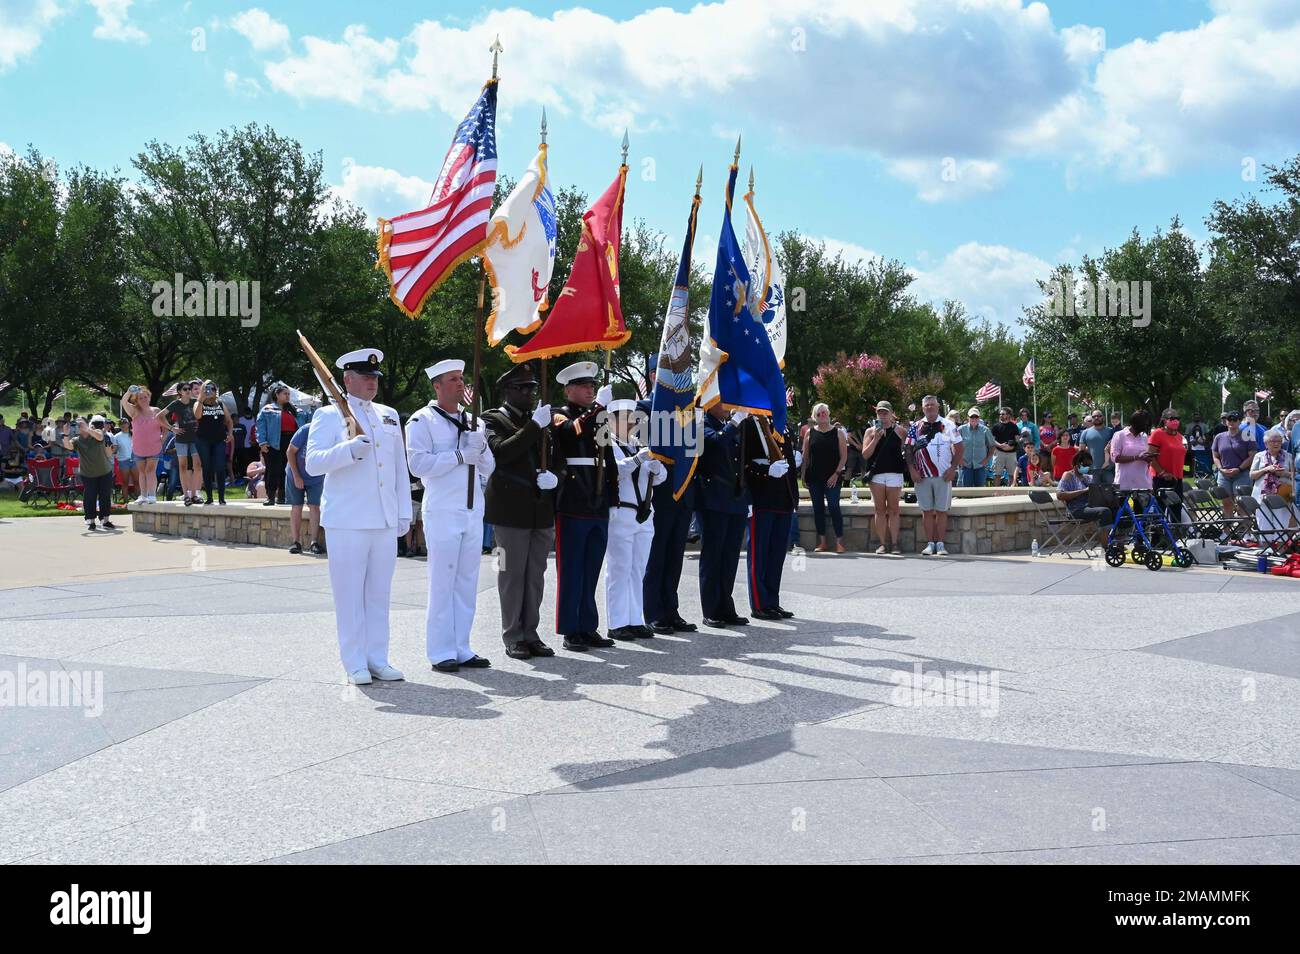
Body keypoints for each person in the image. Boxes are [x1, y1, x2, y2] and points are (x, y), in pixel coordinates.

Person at [304, 348, 411, 686]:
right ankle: (354, 662)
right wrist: (347, 451)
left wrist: (404, 512)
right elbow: (313, 462)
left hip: (383, 518)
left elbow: (398, 470)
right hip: (347, 519)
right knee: (350, 595)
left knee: (379, 594)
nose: (372, 382)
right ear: (347, 380)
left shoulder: (389, 414)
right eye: (365, 377)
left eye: (375, 377)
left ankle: (377, 657)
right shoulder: (328, 414)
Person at [406, 358, 495, 673]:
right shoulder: (422, 421)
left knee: (467, 581)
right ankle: (441, 650)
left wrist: (480, 449)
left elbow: (489, 468)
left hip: (472, 509)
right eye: (453, 379)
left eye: (461, 378)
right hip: (443, 509)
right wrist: (458, 455)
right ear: (438, 386)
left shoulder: (475, 423)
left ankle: (462, 646)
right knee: (443, 580)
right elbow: (417, 465)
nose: (460, 384)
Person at [482, 362, 560, 659]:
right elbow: (501, 452)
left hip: (540, 510)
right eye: (522, 388)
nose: (529, 393)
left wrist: (556, 477)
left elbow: (557, 459)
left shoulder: (539, 421)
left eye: (532, 388)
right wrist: (534, 426)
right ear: (507, 392)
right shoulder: (491, 419)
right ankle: (512, 635)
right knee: (511, 574)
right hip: (509, 513)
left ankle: (531, 632)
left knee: (535, 576)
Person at [549, 362, 618, 651]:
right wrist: (599, 406)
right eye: (584, 386)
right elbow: (570, 433)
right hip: (574, 499)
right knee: (572, 569)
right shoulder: (558, 414)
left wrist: (612, 497)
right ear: (569, 390)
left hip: (597, 499)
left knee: (591, 568)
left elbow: (608, 456)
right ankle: (570, 628)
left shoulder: (598, 418)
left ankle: (588, 626)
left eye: (592, 386)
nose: (590, 389)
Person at [640, 360, 700, 637]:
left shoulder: (688, 411)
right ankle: (653, 612)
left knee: (675, 554)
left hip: (683, 489)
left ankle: (670, 610)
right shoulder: (643, 409)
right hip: (659, 492)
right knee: (658, 553)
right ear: (655, 376)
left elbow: (694, 450)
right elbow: (634, 445)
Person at [605, 399, 667, 639]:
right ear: (611, 421)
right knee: (619, 568)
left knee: (637, 569)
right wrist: (640, 460)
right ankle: (617, 622)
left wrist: (657, 467)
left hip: (644, 513)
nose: (630, 421)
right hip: (621, 512)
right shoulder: (608, 444)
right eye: (623, 417)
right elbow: (616, 470)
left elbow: (660, 479)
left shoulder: (638, 444)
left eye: (632, 417)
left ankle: (635, 619)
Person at [697, 404, 750, 627]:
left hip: (735, 499)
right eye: (722, 402)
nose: (727, 407)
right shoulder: (702, 424)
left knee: (729, 557)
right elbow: (716, 443)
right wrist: (735, 423)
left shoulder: (729, 426)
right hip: (713, 499)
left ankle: (726, 606)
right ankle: (711, 609)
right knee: (712, 556)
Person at [744, 414, 798, 619]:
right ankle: (759, 603)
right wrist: (766, 471)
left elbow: (789, 461)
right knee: (759, 555)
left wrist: (793, 497)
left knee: (776, 556)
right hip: (762, 498)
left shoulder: (781, 424)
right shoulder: (749, 424)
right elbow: (745, 463)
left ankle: (772, 601)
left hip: (783, 498)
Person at [905, 395, 964, 556]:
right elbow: (908, 449)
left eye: (932, 404)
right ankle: (930, 543)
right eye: (927, 405)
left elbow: (959, 448)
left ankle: (941, 544)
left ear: (938, 406)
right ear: (923, 408)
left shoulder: (948, 425)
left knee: (942, 511)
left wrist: (953, 469)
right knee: (927, 510)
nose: (930, 407)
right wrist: (911, 469)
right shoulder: (915, 426)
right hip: (922, 475)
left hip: (943, 475)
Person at [862, 401, 907, 553]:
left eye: (885, 412)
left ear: (891, 413)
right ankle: (882, 543)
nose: (883, 415)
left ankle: (894, 543)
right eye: (880, 412)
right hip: (877, 475)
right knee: (879, 510)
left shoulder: (900, 431)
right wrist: (875, 439)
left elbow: (906, 451)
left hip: (894, 473)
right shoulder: (870, 431)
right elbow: (865, 454)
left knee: (894, 509)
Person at [801, 403, 847, 552]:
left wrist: (836, 474)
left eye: (824, 412)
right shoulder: (809, 433)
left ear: (829, 413)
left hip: (833, 477)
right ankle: (822, 542)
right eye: (819, 413)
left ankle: (839, 542)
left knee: (834, 507)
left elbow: (844, 456)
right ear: (815, 417)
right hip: (814, 478)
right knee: (818, 509)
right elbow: (805, 457)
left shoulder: (838, 433)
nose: (823, 415)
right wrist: (803, 475)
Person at [65, 415, 117, 531]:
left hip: (104, 471)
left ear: (88, 424)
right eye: (78, 425)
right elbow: (68, 446)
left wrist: (87, 428)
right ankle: (91, 521)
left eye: (82, 424)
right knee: (90, 497)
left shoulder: (97, 431)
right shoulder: (77, 440)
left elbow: (99, 437)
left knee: (105, 496)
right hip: (87, 473)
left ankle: (105, 520)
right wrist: (65, 434)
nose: (80, 426)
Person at [1249, 430, 1296, 548]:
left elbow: (1294, 475)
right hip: (1262, 495)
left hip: (1283, 495)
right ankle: (1266, 551)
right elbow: (1252, 475)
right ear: (1266, 443)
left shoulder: (1288, 456)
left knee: (1282, 523)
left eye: (1279, 441)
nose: (1276, 444)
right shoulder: (1259, 456)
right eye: (1273, 441)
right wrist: (1266, 469)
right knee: (1263, 523)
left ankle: (1281, 551)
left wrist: (1283, 474)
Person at [257, 384, 302, 507]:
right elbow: (260, 426)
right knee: (273, 470)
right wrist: (262, 442)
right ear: (277, 395)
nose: (288, 396)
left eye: (289, 394)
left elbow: (304, 420)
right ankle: (270, 496)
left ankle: (282, 496)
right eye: (285, 393)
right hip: (274, 442)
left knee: (286, 470)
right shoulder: (268, 409)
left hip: (291, 441)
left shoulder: (293, 409)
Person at [157, 381, 201, 505]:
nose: (188, 391)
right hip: (181, 439)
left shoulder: (195, 402)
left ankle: (194, 494)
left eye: (189, 388)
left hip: (195, 438)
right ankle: (186, 495)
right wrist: (172, 428)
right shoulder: (176, 403)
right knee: (183, 466)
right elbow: (159, 416)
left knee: (197, 466)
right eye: (185, 389)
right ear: (180, 392)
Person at [285, 415, 324, 555]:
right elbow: (290, 452)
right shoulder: (305, 430)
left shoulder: (329, 433)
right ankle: (296, 542)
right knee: (296, 506)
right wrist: (296, 476)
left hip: (316, 476)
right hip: (295, 473)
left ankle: (314, 542)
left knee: (315, 507)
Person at [121, 385, 164, 503]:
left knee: (150, 470)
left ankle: (152, 495)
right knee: (142, 472)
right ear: (136, 400)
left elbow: (164, 426)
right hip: (139, 447)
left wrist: (162, 440)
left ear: (149, 397)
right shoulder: (134, 411)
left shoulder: (156, 410)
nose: (144, 399)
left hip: (154, 446)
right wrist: (129, 392)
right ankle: (143, 495)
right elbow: (123, 402)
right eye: (141, 398)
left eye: (146, 397)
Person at [194, 380, 234, 505]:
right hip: (203, 440)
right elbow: (197, 415)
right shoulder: (198, 403)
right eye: (207, 389)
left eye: (212, 389)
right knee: (206, 467)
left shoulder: (221, 404)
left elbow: (229, 421)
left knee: (220, 467)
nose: (210, 391)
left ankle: (221, 497)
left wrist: (230, 433)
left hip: (219, 440)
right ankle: (209, 497)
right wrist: (201, 398)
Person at [1147, 408, 1187, 523]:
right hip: (1161, 478)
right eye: (1172, 418)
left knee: (1176, 509)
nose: (1175, 421)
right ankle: (1157, 539)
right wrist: (1162, 473)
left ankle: (1176, 537)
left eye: (1177, 418)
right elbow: (1150, 456)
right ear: (1164, 421)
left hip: (1177, 478)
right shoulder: (1157, 434)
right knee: (1159, 509)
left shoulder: (1179, 436)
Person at [1212, 410, 1253, 518]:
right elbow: (1215, 456)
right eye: (1229, 419)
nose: (1231, 421)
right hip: (1224, 474)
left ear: (1240, 421)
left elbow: (1252, 456)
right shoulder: (1219, 437)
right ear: (1225, 421)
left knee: (1241, 504)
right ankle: (1227, 532)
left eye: (1235, 419)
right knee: (1226, 503)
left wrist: (1239, 469)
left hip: (1241, 473)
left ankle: (1246, 532)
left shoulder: (1247, 435)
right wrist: (1220, 469)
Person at [1055, 449, 1113, 526]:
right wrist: (1083, 491)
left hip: (1090, 506)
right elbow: (1059, 495)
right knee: (1104, 512)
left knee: (1117, 509)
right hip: (1075, 510)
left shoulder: (1088, 477)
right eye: (1085, 465)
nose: (1088, 468)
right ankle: (1108, 537)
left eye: (1090, 465)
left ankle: (1121, 534)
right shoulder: (1068, 475)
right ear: (1077, 464)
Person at [1110, 409, 1155, 495]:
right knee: (1125, 508)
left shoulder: (1144, 436)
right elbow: (1115, 458)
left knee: (1142, 509)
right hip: (1124, 484)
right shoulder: (1119, 435)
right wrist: (1137, 457)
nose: (1146, 427)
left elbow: (1144, 456)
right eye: (1145, 424)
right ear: (1136, 423)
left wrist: (1148, 458)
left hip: (1143, 484)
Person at [958, 407, 994, 488]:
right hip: (965, 465)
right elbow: (954, 445)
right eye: (972, 417)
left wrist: (987, 460)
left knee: (980, 490)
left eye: (976, 417)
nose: (974, 419)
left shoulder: (985, 430)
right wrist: (959, 460)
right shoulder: (961, 429)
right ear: (968, 418)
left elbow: (992, 446)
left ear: (979, 418)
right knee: (966, 491)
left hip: (980, 465)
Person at [1080, 410, 1114, 484]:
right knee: (1094, 493)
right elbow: (1081, 451)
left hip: (1108, 469)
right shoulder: (1085, 432)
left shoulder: (1111, 431)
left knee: (1110, 493)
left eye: (1099, 416)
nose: (1096, 418)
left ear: (1103, 418)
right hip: (1092, 470)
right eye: (1094, 416)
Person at [990, 407, 1020, 487]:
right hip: (999, 452)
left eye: (1003, 414)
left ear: (1008, 415)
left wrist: (1012, 446)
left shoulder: (1014, 426)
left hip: (1011, 453)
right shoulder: (996, 426)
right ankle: (996, 494)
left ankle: (1009, 494)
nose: (1001, 415)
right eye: (1000, 414)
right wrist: (1000, 445)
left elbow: (1017, 439)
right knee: (997, 475)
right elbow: (991, 440)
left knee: (1012, 475)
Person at [111, 416, 136, 500]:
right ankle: (126, 502)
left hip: (135, 460)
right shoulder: (116, 436)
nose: (123, 425)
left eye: (124, 423)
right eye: (121, 424)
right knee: (125, 483)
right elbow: (114, 449)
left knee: (137, 482)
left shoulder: (134, 433)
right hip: (123, 461)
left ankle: (140, 501)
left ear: (128, 424)